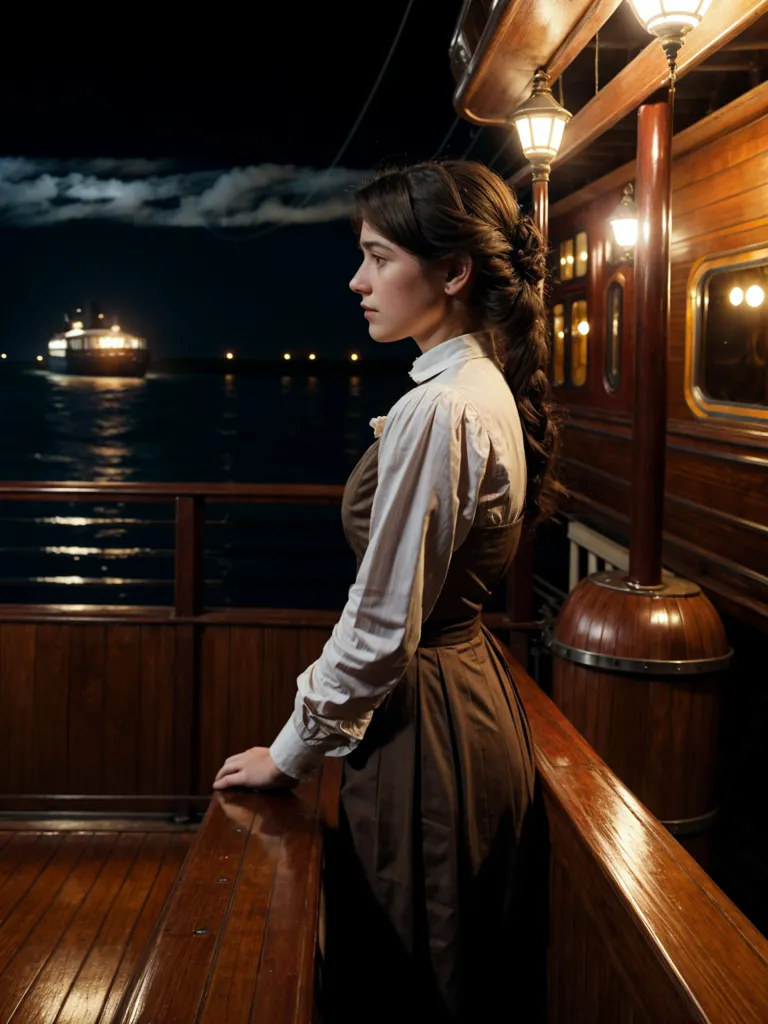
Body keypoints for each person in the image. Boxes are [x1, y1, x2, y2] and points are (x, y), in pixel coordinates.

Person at [213, 160, 558, 1022]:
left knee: (418, 970)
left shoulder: (440, 411)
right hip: (464, 701)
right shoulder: (472, 389)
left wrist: (288, 754)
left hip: (429, 733)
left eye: (377, 257)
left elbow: (377, 627)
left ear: (452, 272)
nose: (357, 280)